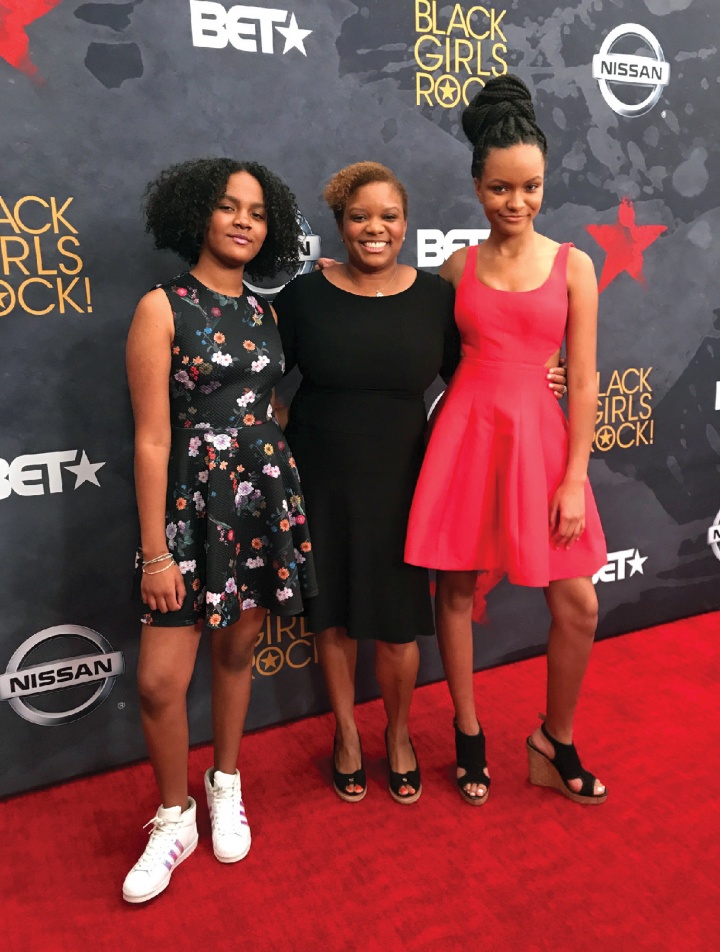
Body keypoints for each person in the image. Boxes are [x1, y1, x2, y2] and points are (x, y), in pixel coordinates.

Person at [273, 162, 567, 805]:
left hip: (410, 474)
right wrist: (291, 435)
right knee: (335, 618)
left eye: (388, 217)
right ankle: (347, 734)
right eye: (359, 217)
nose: (374, 229)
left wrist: (537, 378)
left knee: (400, 622)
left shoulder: (436, 297)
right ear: (340, 224)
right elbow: (255, 374)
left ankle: (399, 734)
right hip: (320, 475)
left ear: (406, 225)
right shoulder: (304, 297)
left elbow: (482, 371)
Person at [405, 75, 608, 806]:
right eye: (499, 188)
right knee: (454, 589)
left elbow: (582, 379)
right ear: (477, 185)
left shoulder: (574, 264)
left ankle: (555, 739)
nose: (515, 203)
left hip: (545, 450)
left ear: (544, 183)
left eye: (530, 187)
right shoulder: (457, 267)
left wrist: (574, 477)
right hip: (467, 438)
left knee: (578, 604)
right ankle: (468, 733)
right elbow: (414, 347)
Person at [122, 157, 317, 903]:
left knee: (238, 653)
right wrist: (154, 553)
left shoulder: (267, 313)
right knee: (158, 681)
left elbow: (267, 407)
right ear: (198, 214)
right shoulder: (161, 307)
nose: (243, 220)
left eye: (258, 211)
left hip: (261, 502)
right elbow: (150, 439)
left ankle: (224, 782)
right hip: (189, 508)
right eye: (229, 206)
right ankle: (174, 817)